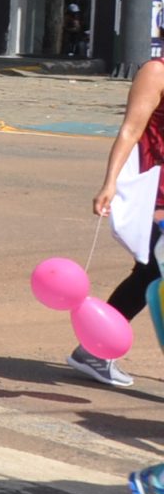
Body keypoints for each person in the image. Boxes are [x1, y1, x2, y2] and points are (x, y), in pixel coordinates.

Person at [84, 57, 164, 389]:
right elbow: (131, 130)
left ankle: (93, 349)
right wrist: (110, 183)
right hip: (156, 192)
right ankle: (94, 349)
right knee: (153, 272)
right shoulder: (156, 72)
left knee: (148, 274)